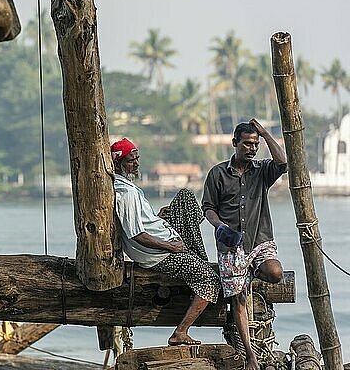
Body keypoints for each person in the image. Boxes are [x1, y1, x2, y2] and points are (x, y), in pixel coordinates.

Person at [111, 137, 221, 346]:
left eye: (137, 159)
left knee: (185, 197)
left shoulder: (128, 187)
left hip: (164, 238)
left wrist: (157, 218)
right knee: (210, 279)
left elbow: (140, 222)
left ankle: (193, 256)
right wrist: (172, 247)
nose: (136, 163)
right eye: (131, 160)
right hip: (159, 255)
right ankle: (180, 332)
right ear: (118, 163)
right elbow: (137, 235)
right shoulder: (125, 193)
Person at [202, 118, 287, 370]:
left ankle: (250, 272)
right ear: (234, 143)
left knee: (276, 272)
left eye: (255, 144)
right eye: (247, 144)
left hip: (259, 240)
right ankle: (250, 355)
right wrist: (220, 226)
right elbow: (208, 208)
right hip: (231, 245)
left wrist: (265, 133)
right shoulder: (217, 173)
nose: (252, 148)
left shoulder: (261, 171)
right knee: (238, 299)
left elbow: (283, 163)